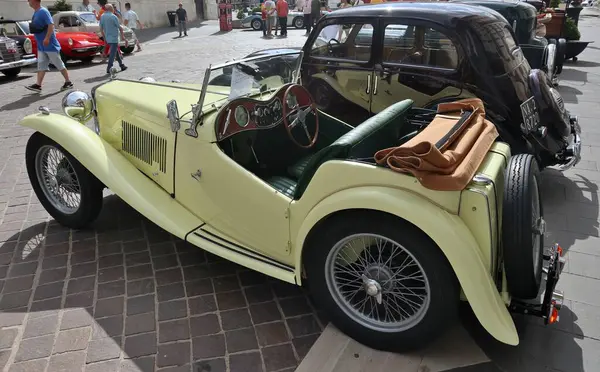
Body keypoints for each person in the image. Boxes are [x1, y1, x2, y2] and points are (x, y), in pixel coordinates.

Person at [25, 0, 73, 92]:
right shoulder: (36, 12)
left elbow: (51, 25)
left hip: (49, 44)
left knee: (58, 63)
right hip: (41, 45)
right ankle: (38, 85)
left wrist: (47, 38)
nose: (28, 2)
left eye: (29, 0)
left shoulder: (43, 11)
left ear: (35, 1)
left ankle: (68, 82)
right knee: (41, 65)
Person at [100, 4, 128, 74]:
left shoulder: (102, 17)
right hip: (114, 38)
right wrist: (123, 37)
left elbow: (101, 29)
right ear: (110, 9)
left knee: (116, 52)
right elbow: (120, 27)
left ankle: (122, 65)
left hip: (108, 38)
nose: (113, 9)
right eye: (113, 8)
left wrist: (104, 38)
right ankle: (109, 67)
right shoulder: (113, 16)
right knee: (112, 53)